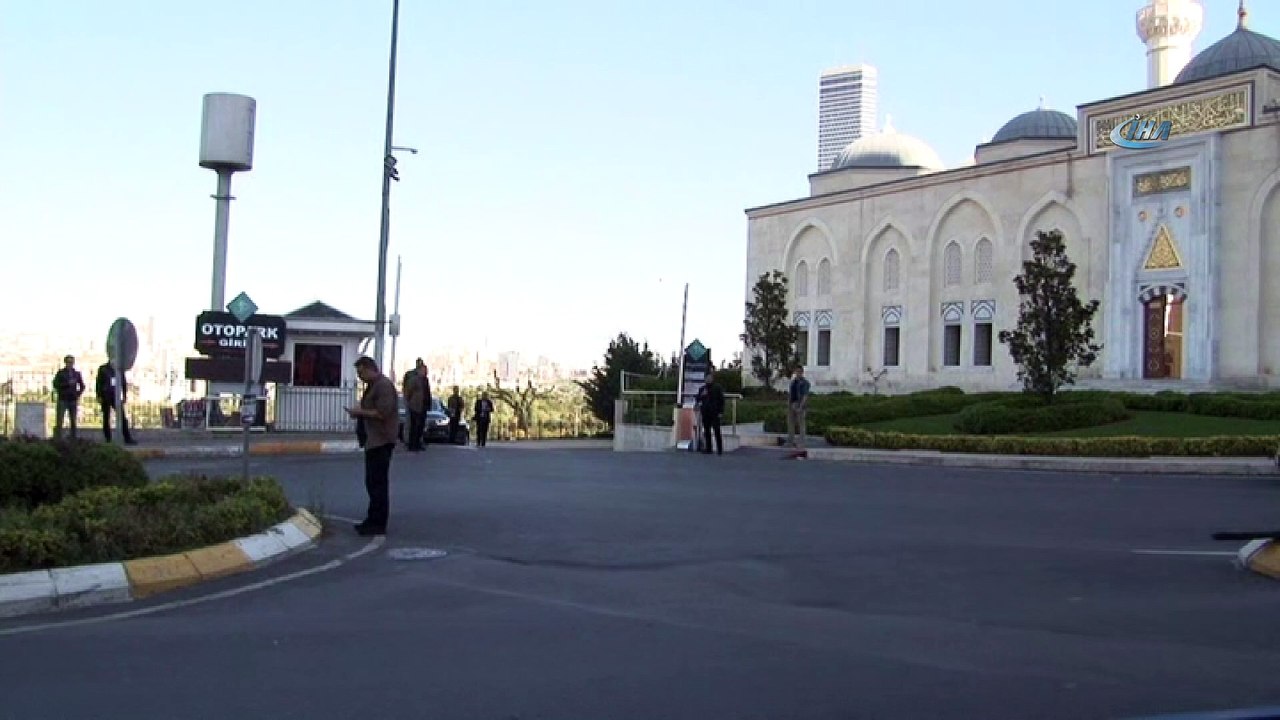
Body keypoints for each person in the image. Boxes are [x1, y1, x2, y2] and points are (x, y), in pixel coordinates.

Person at [346, 356, 399, 536]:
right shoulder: (372, 386)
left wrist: (360, 412)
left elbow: (383, 412)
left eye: (361, 372)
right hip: (373, 440)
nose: (360, 376)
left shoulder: (383, 386)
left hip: (381, 440)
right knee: (372, 482)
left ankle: (378, 522)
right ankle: (372, 519)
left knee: (378, 483)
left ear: (370, 369)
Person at [95, 361, 135, 445]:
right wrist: (98, 395)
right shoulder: (103, 369)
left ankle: (127, 438)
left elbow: (123, 383)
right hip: (105, 395)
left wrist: (124, 395)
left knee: (122, 417)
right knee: (106, 417)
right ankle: (108, 438)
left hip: (115, 395)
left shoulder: (119, 369)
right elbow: (98, 383)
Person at [51, 355, 85, 439]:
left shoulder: (77, 374)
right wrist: (66, 384)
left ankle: (73, 437)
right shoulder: (61, 373)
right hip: (63, 399)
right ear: (65, 363)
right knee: (59, 420)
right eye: (68, 362)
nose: (70, 364)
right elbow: (55, 384)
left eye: (71, 362)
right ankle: (58, 438)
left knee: (73, 420)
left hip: (72, 399)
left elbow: (82, 386)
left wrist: (77, 394)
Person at [402, 358, 432, 452]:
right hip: (415, 406)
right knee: (414, 425)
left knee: (420, 426)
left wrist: (428, 403)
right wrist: (409, 401)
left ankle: (418, 443)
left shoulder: (425, 380)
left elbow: (427, 392)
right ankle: (412, 444)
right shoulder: (413, 378)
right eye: (424, 370)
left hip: (423, 405)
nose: (425, 372)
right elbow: (407, 391)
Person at [698, 371, 726, 455]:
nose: (708, 379)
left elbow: (721, 400)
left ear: (712, 378)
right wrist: (702, 395)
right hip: (705, 412)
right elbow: (698, 399)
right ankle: (709, 448)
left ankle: (719, 449)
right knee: (707, 431)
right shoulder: (702, 389)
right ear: (705, 379)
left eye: (710, 378)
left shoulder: (717, 387)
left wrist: (721, 411)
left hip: (715, 412)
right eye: (707, 378)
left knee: (717, 430)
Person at [787, 367, 811, 449]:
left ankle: (802, 442)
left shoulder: (805, 383)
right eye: (796, 372)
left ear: (802, 372)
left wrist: (801, 406)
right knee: (791, 423)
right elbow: (791, 393)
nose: (797, 373)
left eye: (799, 372)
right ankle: (790, 441)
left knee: (801, 424)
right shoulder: (793, 382)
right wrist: (789, 404)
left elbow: (805, 395)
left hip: (800, 404)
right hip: (792, 404)